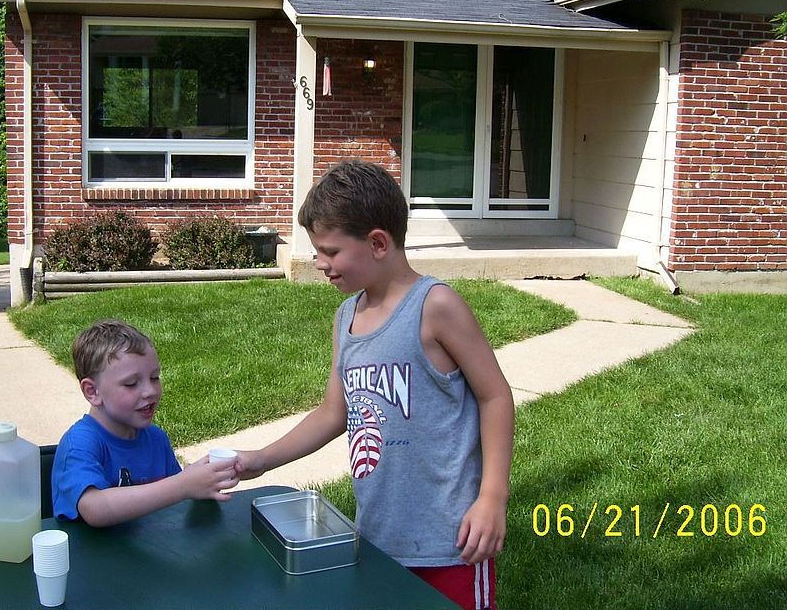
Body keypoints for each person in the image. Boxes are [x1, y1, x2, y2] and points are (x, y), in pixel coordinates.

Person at [236, 159, 514, 610]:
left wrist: (492, 498)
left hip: (453, 541)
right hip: (379, 538)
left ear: (378, 243)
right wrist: (263, 459)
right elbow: (333, 412)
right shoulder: (347, 317)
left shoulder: (434, 305)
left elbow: (495, 395)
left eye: (329, 251)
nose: (319, 263)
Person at [52, 319, 238, 526]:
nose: (150, 391)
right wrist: (184, 485)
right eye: (131, 384)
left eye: (155, 377)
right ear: (92, 392)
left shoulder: (156, 438)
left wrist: (202, 481)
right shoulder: (80, 444)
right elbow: (95, 509)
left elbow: (175, 500)